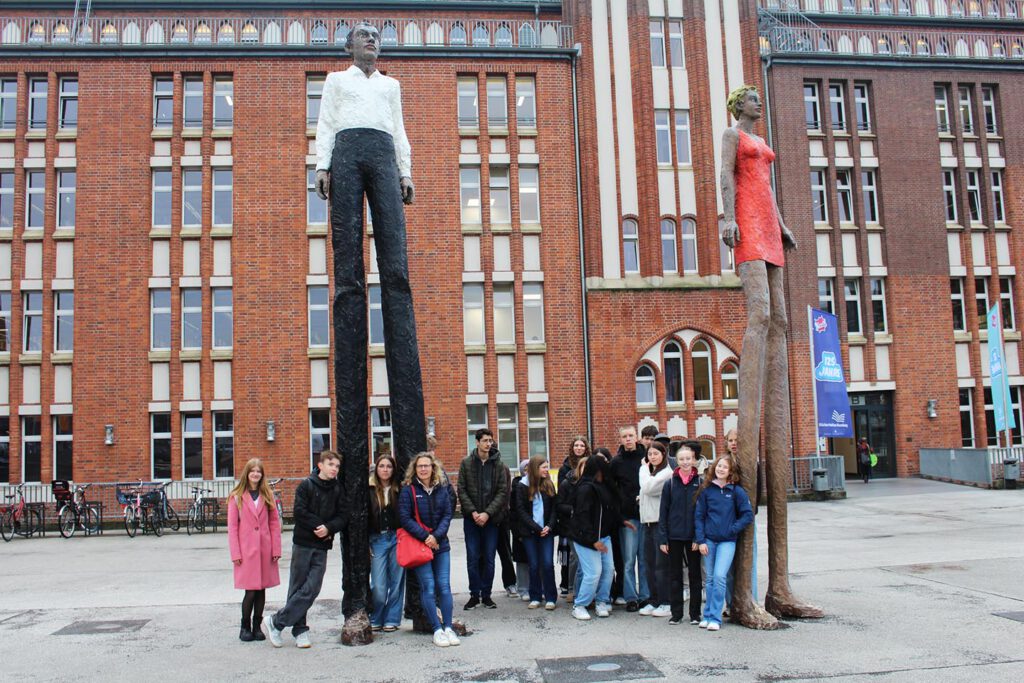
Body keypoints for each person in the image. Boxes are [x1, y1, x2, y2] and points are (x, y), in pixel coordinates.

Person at [314, 22, 429, 635]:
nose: (372, 44)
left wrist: (405, 171)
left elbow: (402, 129)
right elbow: (325, 123)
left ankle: (423, 603)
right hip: (346, 151)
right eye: (363, 38)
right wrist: (321, 166)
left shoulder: (390, 87)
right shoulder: (336, 82)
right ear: (348, 47)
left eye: (377, 39)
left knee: (397, 278)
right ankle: (356, 602)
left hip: (382, 152)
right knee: (349, 282)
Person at [264, 451, 347, 648]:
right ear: (321, 465)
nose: (334, 469)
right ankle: (300, 630)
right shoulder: (306, 485)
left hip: (322, 545)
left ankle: (276, 622)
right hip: (303, 543)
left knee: (313, 587)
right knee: (298, 587)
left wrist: (329, 528)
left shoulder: (337, 489)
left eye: (337, 466)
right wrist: (320, 526)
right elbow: (300, 511)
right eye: (331, 464)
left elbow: (343, 515)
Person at [398, 452, 458, 648]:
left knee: (444, 586)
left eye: (426, 465)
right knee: (428, 587)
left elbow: (447, 514)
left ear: (433, 468)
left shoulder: (442, 488)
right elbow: (405, 518)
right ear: (414, 469)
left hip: (441, 544)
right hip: (420, 545)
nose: (423, 469)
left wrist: (436, 537)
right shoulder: (408, 490)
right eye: (419, 466)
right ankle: (437, 629)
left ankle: (448, 627)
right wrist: (426, 537)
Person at [571, 454, 636, 621]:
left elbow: (610, 510)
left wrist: (622, 521)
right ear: (597, 469)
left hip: (604, 537)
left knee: (608, 570)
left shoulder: (604, 486)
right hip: (587, 539)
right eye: (603, 467)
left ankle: (602, 601)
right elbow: (582, 517)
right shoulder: (585, 488)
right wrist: (593, 540)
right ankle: (580, 605)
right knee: (593, 573)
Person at [694, 456, 754, 631]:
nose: (720, 469)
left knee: (720, 577)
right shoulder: (706, 490)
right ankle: (707, 615)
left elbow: (747, 515)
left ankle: (715, 617)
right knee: (710, 579)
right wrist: (701, 540)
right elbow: (699, 516)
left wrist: (732, 529)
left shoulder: (736, 491)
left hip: (727, 542)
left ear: (730, 472)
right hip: (709, 541)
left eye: (725, 467)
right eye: (719, 466)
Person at [227, 458, 282, 642]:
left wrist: (276, 549)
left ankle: (257, 626)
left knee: (261, 590)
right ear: (247, 473)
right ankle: (245, 626)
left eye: (259, 471)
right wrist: (235, 553)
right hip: (246, 551)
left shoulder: (267, 495)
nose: (255, 474)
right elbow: (232, 528)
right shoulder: (236, 496)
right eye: (252, 471)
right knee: (250, 591)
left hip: (265, 549)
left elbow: (274, 523)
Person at [457, 428, 510, 610]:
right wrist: (473, 512)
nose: (488, 444)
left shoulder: (498, 465)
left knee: (489, 558)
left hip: (491, 520)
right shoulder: (466, 463)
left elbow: (502, 492)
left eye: (490, 440)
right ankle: (474, 594)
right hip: (471, 520)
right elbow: (461, 489)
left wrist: (487, 513)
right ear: (477, 442)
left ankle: (486, 595)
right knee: (472, 557)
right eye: (485, 440)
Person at [658, 442, 704, 626]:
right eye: (682, 459)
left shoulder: (700, 483)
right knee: (675, 576)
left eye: (688, 459)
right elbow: (663, 512)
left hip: (693, 537)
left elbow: (703, 512)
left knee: (695, 576)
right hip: (674, 536)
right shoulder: (670, 483)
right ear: (676, 461)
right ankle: (676, 614)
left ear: (694, 460)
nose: (685, 462)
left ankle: (695, 614)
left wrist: (698, 537)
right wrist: (663, 538)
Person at [609, 426, 648, 611]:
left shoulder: (647, 458)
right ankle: (631, 597)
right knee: (628, 561)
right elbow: (611, 490)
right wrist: (619, 514)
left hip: (647, 515)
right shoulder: (616, 462)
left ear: (637, 437)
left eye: (631, 435)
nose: (628, 439)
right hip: (627, 517)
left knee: (645, 560)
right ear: (621, 439)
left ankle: (645, 596)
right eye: (624, 436)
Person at [515, 455, 558, 610]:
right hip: (530, 532)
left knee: (547, 564)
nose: (547, 470)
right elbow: (521, 511)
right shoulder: (522, 486)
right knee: (533, 565)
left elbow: (554, 508)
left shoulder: (548, 484)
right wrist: (536, 528)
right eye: (544, 467)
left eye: (547, 467)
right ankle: (535, 596)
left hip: (546, 531)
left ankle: (551, 597)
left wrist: (549, 526)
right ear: (535, 468)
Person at [368, 454, 404, 632]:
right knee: (378, 585)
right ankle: (376, 616)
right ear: (376, 469)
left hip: (397, 538)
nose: (385, 469)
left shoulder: (399, 489)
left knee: (397, 581)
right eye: (381, 466)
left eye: (389, 466)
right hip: (378, 539)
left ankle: (392, 618)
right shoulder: (369, 489)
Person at [638, 441, 673, 617]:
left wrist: (643, 468)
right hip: (647, 523)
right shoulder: (652, 473)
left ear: (663, 454)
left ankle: (666, 602)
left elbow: (648, 488)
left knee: (661, 566)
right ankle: (654, 600)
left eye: (656, 454)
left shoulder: (666, 473)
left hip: (660, 524)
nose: (652, 457)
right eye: (650, 454)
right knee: (649, 564)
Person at [557, 437, 589, 598]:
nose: (579, 447)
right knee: (571, 555)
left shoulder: (591, 464)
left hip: (586, 519)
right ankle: (569, 586)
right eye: (576, 445)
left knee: (582, 557)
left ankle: (580, 588)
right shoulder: (565, 468)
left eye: (582, 445)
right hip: (570, 518)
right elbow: (561, 497)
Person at [510, 459, 531, 600]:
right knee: (522, 560)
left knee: (536, 560)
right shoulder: (517, 486)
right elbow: (514, 512)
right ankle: (523, 589)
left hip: (535, 528)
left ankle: (536, 587)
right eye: (525, 469)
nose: (528, 471)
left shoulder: (540, 484)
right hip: (520, 528)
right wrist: (517, 531)